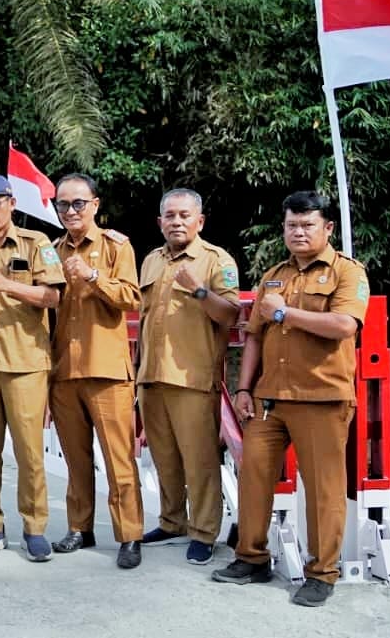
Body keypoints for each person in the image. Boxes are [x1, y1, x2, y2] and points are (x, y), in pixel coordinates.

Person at [212, 191, 369, 608]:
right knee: (254, 477)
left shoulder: (347, 273)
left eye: (307, 225)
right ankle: (252, 557)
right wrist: (244, 388)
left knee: (322, 490)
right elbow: (254, 337)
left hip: (321, 396)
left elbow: (343, 325)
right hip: (269, 399)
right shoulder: (274, 275)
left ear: (327, 228)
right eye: (291, 225)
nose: (298, 232)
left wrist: (285, 313)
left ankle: (322, 572)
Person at [0, 173, 65, 562]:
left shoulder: (35, 244)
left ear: (11, 204)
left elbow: (52, 297)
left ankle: (35, 527)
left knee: (28, 452)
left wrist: (9, 286)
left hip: (25, 363)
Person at [136, 188, 241, 567]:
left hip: (193, 378)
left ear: (200, 221)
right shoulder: (150, 261)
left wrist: (198, 290)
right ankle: (171, 521)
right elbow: (144, 318)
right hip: (152, 376)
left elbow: (230, 315)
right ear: (160, 221)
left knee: (200, 462)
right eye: (170, 215)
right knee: (163, 459)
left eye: (185, 215)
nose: (177, 222)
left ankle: (203, 531)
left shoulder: (215, 260)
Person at [50, 173, 145, 569]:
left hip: (106, 369)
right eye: (63, 205)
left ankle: (129, 534)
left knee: (118, 458)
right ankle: (79, 527)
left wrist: (93, 276)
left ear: (95, 205)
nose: (70, 211)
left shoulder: (115, 246)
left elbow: (132, 298)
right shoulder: (51, 249)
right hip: (64, 369)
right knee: (75, 458)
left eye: (78, 204)